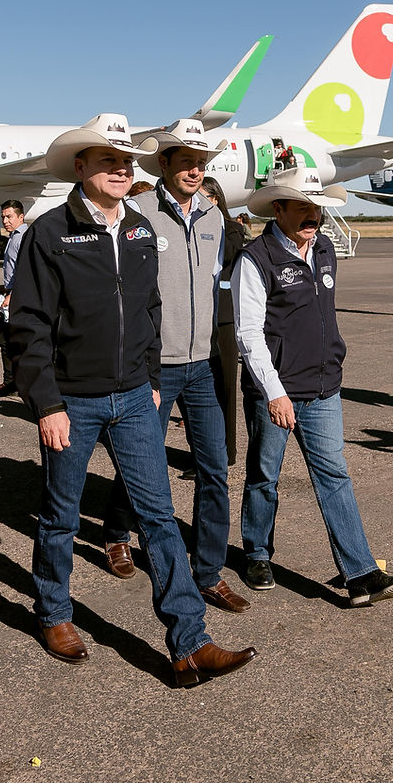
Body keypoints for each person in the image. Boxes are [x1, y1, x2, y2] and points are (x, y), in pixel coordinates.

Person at [7, 114, 257, 687]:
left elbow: (149, 312)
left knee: (159, 519)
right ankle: (54, 611)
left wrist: (147, 377)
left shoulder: (141, 231)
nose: (120, 170)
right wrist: (45, 404)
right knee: (60, 515)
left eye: (125, 161)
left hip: (132, 397)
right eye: (106, 160)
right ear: (81, 167)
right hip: (72, 399)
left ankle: (189, 642)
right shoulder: (49, 232)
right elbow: (29, 326)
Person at [232, 169, 393, 605]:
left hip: (324, 387)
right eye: (302, 207)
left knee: (334, 476)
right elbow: (248, 334)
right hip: (275, 390)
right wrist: (274, 392)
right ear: (278, 209)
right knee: (264, 476)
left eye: (316, 207)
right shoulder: (255, 260)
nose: (313, 215)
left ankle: (360, 575)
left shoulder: (326, 248)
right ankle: (256, 553)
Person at [101, 120, 248, 613]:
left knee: (213, 468)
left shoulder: (214, 216)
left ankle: (207, 571)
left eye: (201, 161)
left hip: (205, 363)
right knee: (145, 462)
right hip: (156, 365)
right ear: (162, 163)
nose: (195, 169)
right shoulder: (137, 211)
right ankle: (118, 531)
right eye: (185, 160)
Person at [201, 173, 246, 466]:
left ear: (215, 200)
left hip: (225, 319)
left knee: (226, 388)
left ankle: (227, 452)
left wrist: (212, 223)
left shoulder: (231, 229)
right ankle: (204, 453)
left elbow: (230, 254)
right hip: (197, 319)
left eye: (203, 198)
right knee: (200, 396)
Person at [0, 200, 28, 400]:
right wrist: (4, 288)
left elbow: (26, 270)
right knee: (6, 341)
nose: (5, 220)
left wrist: (12, 295)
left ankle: (17, 384)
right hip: (11, 294)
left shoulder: (23, 238)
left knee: (13, 341)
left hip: (19, 298)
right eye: (3, 217)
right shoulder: (13, 237)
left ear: (21, 217)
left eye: (9, 216)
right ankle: (11, 383)